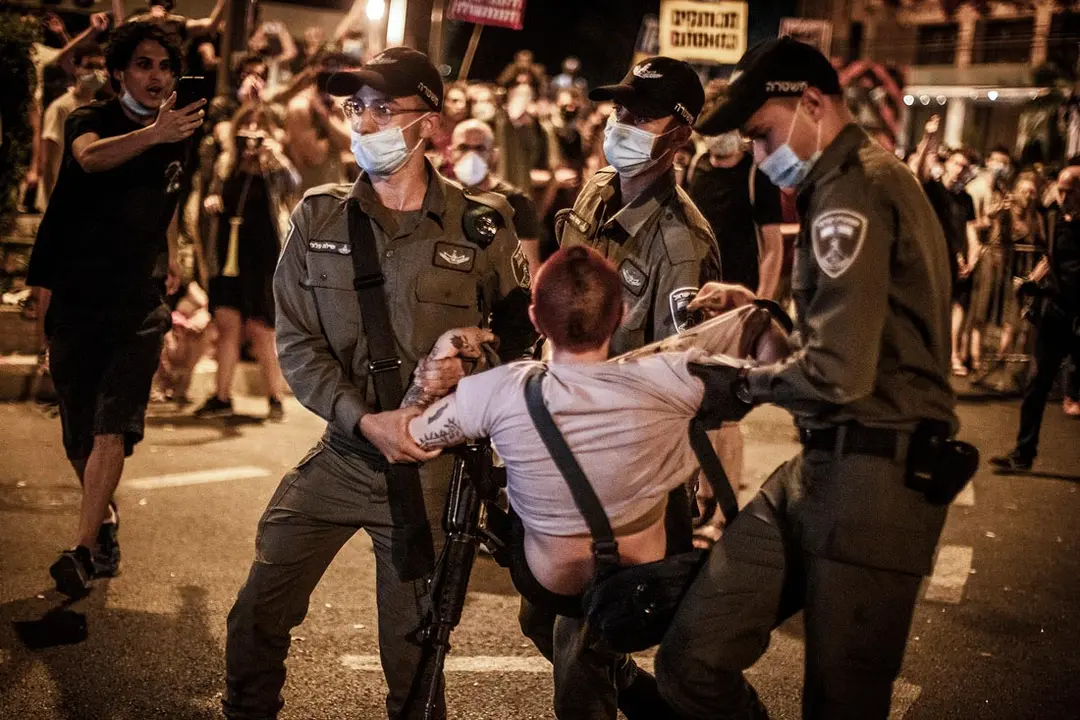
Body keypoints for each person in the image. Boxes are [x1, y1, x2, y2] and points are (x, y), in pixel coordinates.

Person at [222, 47, 528, 720]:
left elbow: (522, 345)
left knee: (415, 667)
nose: (365, 122)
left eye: (383, 108)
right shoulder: (319, 216)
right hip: (343, 454)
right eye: (356, 106)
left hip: (428, 476)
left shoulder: (483, 226)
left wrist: (471, 351)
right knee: (254, 617)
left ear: (428, 123)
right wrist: (365, 420)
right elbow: (297, 342)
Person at [657, 38, 959, 719]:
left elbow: (838, 375)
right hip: (822, 467)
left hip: (875, 484)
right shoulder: (849, 182)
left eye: (762, 135)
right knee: (692, 658)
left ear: (813, 103)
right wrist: (763, 318)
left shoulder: (854, 186)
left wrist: (735, 384)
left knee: (842, 702)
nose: (760, 157)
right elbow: (846, 351)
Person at [400, 246, 787, 720]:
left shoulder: (497, 391)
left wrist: (434, 371)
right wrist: (757, 312)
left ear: (536, 320)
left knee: (573, 637)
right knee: (570, 630)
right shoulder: (671, 375)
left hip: (551, 577)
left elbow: (409, 436)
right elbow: (783, 374)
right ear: (620, 314)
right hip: (647, 564)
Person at [25, 21, 206, 598]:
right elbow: (91, 160)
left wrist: (173, 253)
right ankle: (102, 519)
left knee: (111, 423)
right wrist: (154, 134)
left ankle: (80, 549)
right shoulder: (91, 119)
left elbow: (170, 197)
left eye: (164, 67)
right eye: (144, 65)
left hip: (139, 301)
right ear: (120, 72)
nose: (156, 77)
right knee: (78, 428)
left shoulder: (181, 131)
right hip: (78, 294)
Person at [557, 55, 721, 356]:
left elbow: (676, 373)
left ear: (681, 135)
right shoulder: (597, 188)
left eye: (642, 118)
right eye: (618, 110)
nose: (621, 125)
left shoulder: (683, 247)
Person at [194, 104, 298, 421]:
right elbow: (207, 192)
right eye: (246, 128)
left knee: (260, 327)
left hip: (261, 256)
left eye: (259, 128)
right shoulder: (226, 163)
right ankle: (221, 395)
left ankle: (274, 396)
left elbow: (294, 186)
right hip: (228, 254)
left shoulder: (273, 166)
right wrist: (213, 199)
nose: (252, 136)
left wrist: (273, 158)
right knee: (227, 323)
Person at [990, 166, 1080, 471]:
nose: (1065, 197)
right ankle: (1023, 453)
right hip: (1056, 313)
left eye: (1072, 190)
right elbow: (1050, 258)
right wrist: (1031, 280)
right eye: (1062, 190)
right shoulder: (1054, 221)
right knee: (1037, 383)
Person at [911, 116, 978, 376]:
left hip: (956, 261)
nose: (960, 169)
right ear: (947, 164)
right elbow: (920, 169)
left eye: (965, 165)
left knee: (957, 308)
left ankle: (950, 357)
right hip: (932, 258)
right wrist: (929, 137)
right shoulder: (935, 189)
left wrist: (972, 258)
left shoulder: (967, 199)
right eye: (957, 163)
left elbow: (970, 231)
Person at [687, 129, 786, 299]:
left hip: (743, 293)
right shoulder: (696, 166)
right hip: (700, 292)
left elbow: (773, 247)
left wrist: (760, 302)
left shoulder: (758, 175)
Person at [969, 172, 1046, 382]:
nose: (1027, 196)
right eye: (1024, 191)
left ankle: (1000, 359)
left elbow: (1042, 244)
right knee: (982, 311)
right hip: (993, 265)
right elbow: (989, 221)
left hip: (1017, 271)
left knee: (1011, 316)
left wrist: (1033, 275)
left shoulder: (1036, 218)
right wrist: (995, 212)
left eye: (1032, 192)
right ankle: (978, 361)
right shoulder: (1005, 210)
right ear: (1016, 190)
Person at [450, 118, 541, 287]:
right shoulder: (441, 198)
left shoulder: (516, 204)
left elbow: (529, 271)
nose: (471, 156)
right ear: (450, 153)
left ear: (494, 155)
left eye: (480, 148)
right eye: (463, 148)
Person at [38, 42, 109, 207]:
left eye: (100, 67)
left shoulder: (100, 107)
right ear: (76, 69)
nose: (95, 72)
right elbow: (49, 162)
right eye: (89, 66)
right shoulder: (61, 107)